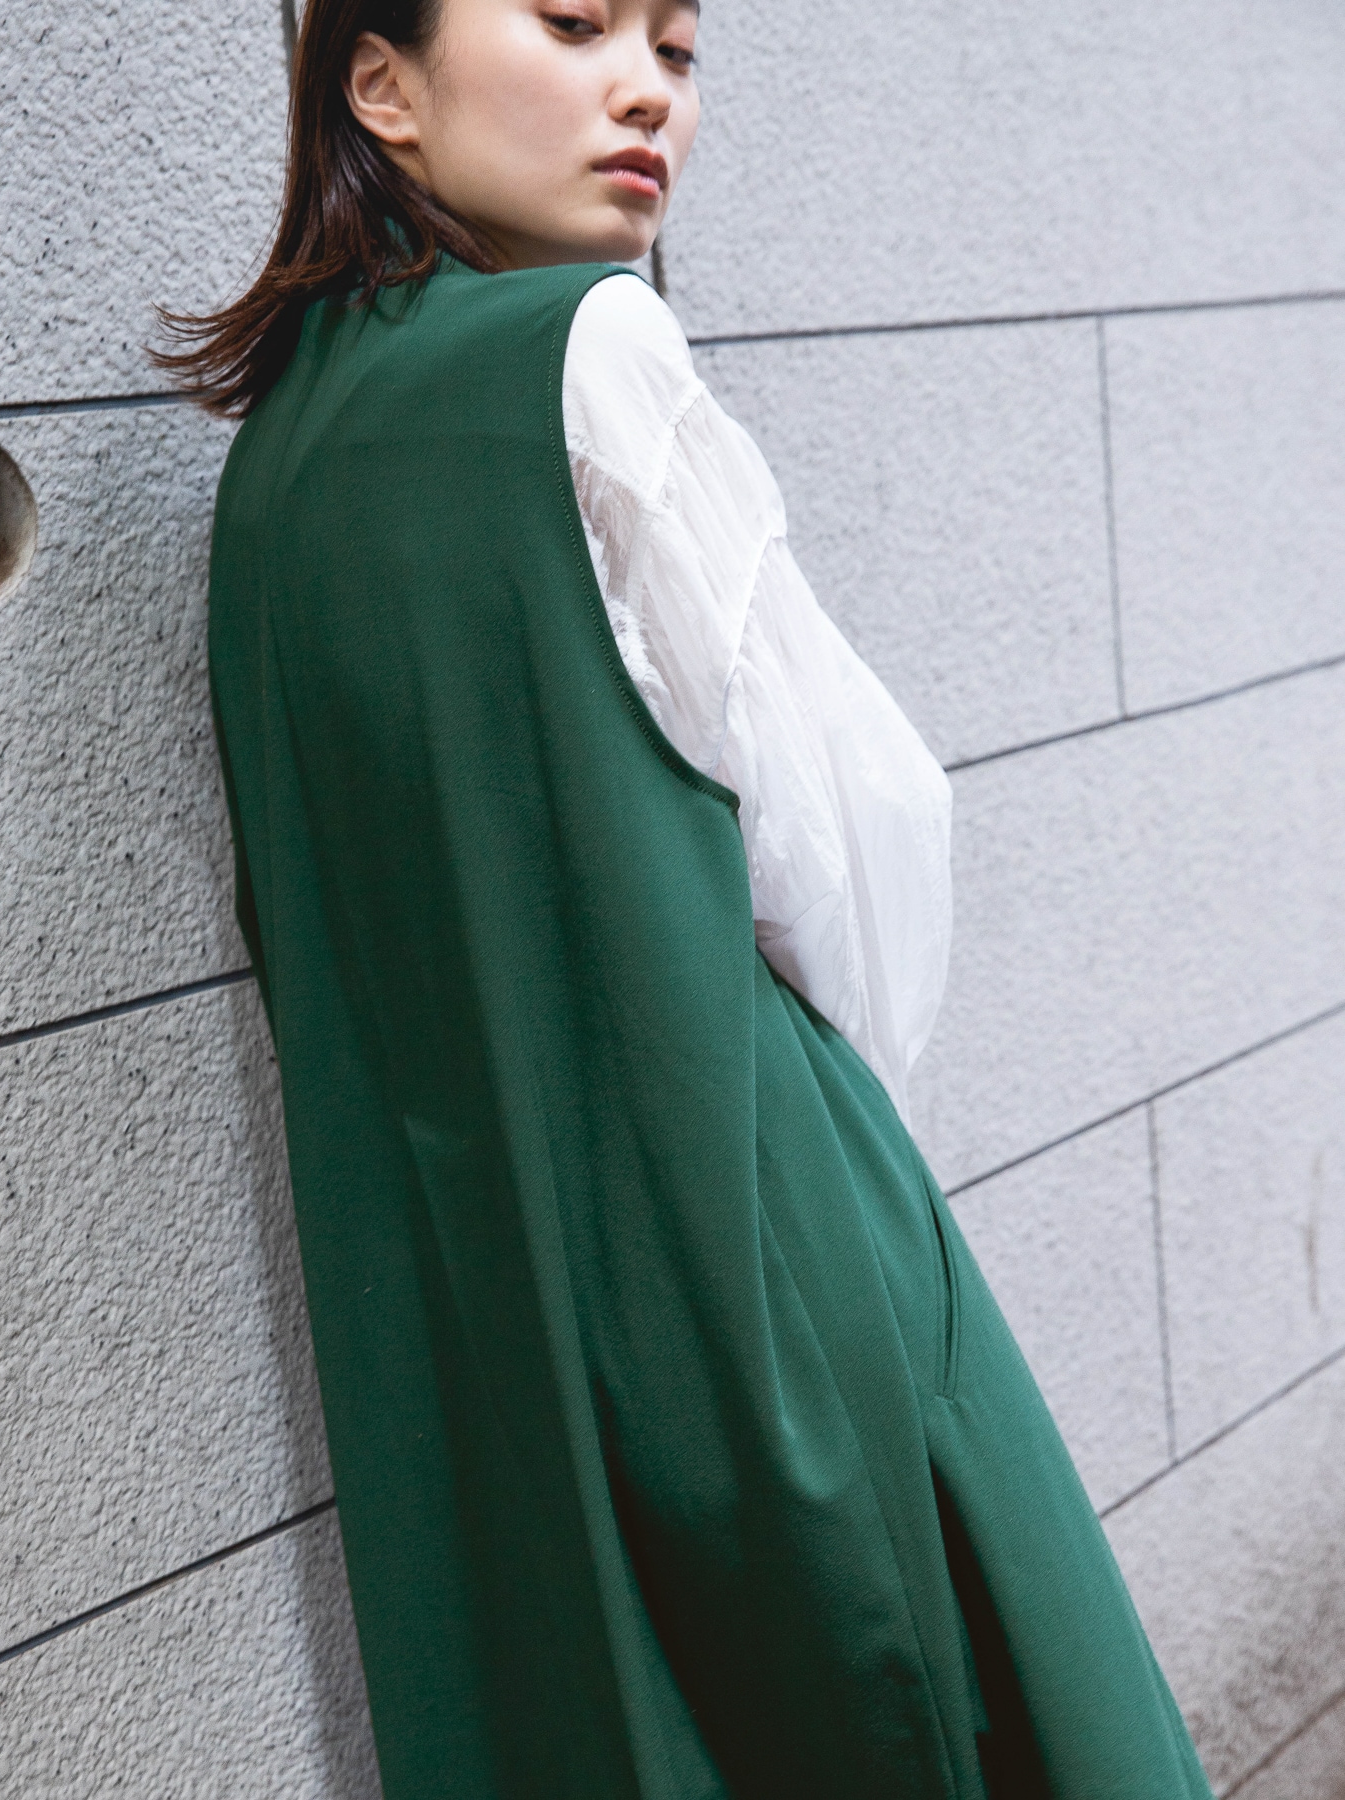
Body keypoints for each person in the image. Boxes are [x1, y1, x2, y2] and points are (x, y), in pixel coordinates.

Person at [158, 1, 1215, 1794]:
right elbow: (850, 825)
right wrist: (856, 1180)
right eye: (575, 23)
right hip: (738, 1233)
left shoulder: (273, 468)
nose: (646, 88)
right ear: (379, 84)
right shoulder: (590, 347)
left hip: (471, 1343)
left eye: (677, 46)